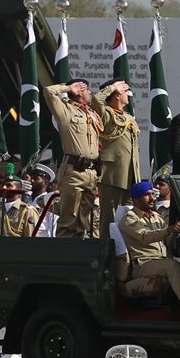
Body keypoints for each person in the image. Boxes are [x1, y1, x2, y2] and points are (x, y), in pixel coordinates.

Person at [117, 181, 180, 313]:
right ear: (136, 199)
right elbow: (145, 236)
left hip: (159, 261)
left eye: (152, 194)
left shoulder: (156, 217)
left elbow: (168, 239)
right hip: (143, 264)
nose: (152, 198)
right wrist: (169, 230)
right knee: (172, 266)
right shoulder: (129, 219)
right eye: (147, 195)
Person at [42, 79, 102, 237]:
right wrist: (68, 88)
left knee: (84, 220)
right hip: (74, 170)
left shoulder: (91, 113)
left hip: (91, 172)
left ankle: (79, 255)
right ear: (79, 92)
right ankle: (64, 257)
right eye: (87, 90)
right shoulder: (66, 110)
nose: (90, 93)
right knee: (69, 219)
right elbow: (48, 91)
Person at [95, 79, 141, 241]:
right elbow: (96, 102)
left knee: (128, 220)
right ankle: (107, 257)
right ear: (116, 95)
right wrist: (111, 87)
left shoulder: (128, 117)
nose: (128, 95)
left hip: (131, 176)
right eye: (124, 91)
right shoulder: (106, 114)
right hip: (113, 176)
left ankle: (125, 256)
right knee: (109, 220)